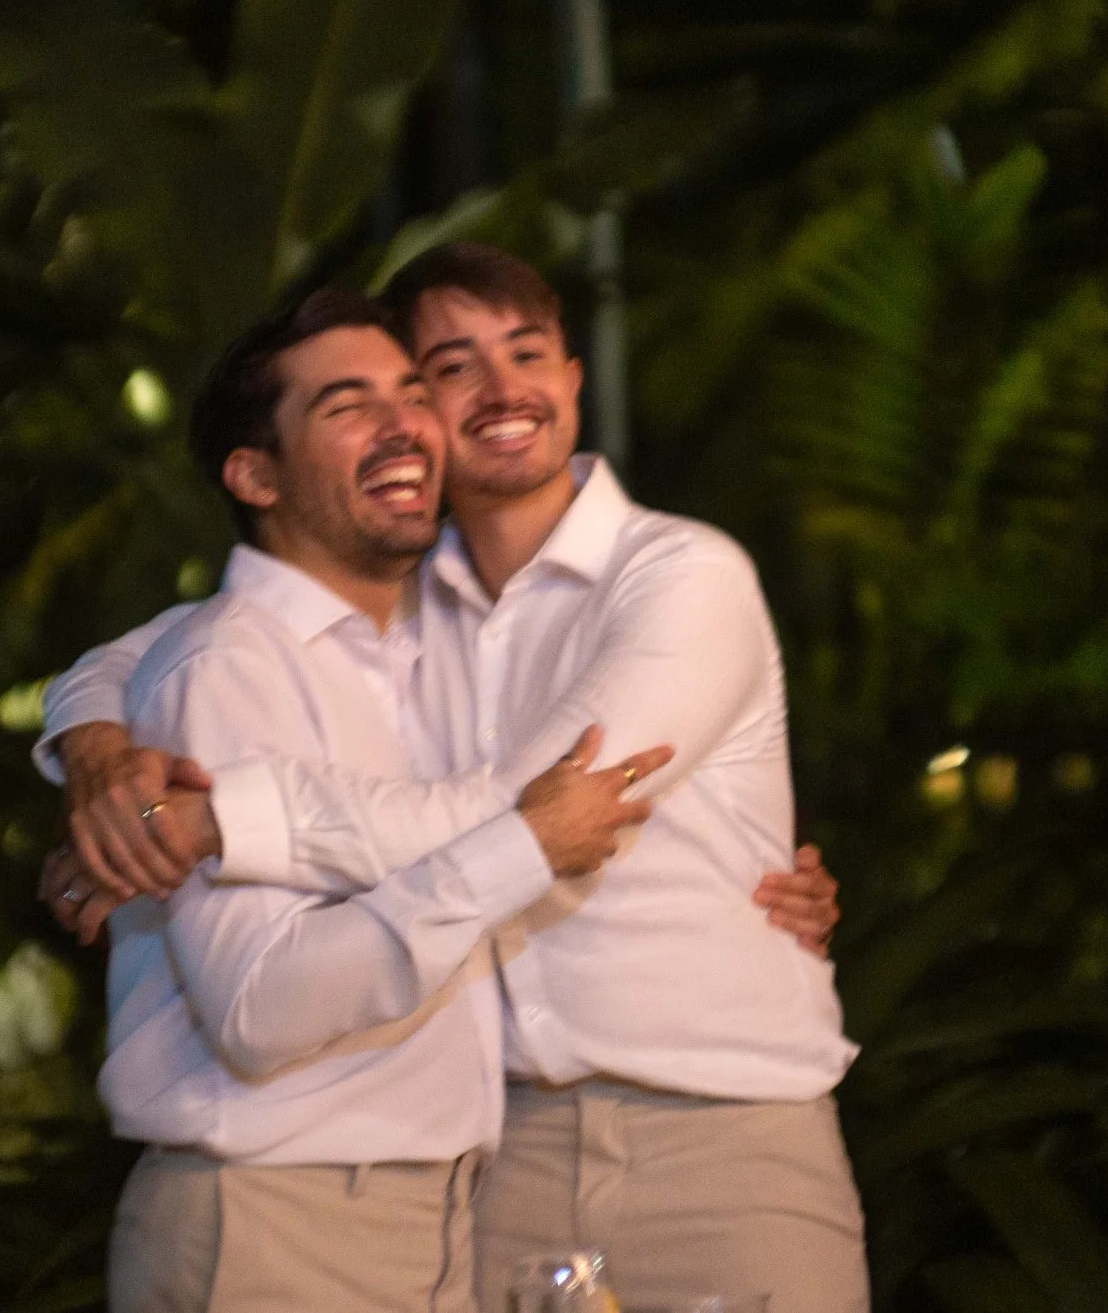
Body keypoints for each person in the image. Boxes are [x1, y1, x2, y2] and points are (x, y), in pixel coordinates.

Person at [43, 246, 870, 1312]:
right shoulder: (398, 597)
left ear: (573, 376)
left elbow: (533, 810)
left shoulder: (678, 574)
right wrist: (100, 754)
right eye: (451, 365)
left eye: (526, 352)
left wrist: (220, 817)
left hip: (721, 1138)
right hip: (495, 1157)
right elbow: (154, 650)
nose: (500, 388)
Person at [92, 287, 673, 1312]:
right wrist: (517, 847)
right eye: (345, 404)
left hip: (431, 1218)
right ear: (254, 473)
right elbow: (259, 1008)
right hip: (277, 1225)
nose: (406, 421)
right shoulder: (226, 666)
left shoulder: (435, 649)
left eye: (411, 391)